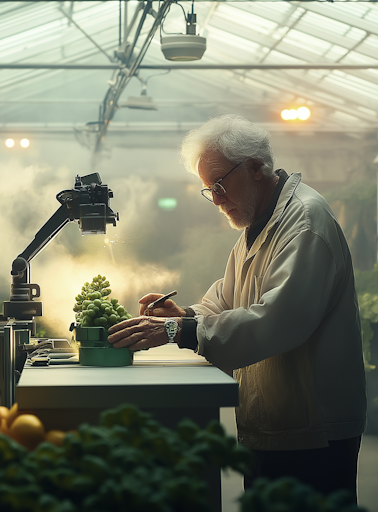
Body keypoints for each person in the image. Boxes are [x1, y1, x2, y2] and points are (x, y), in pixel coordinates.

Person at [107, 114, 367, 501]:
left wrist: (180, 332)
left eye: (219, 185)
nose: (215, 199)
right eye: (207, 189)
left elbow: (278, 320)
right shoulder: (259, 223)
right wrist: (185, 316)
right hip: (276, 422)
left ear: (256, 168)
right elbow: (227, 299)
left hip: (313, 430)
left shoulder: (306, 223)